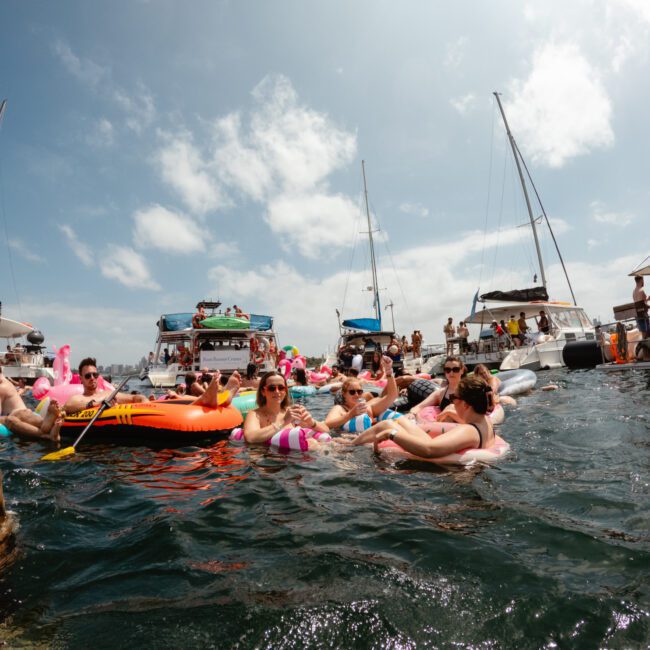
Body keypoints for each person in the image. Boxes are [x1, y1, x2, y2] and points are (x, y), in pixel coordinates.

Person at [349, 375, 496, 460]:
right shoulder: (486, 422)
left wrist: (391, 435)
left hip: (432, 451)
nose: (451, 401)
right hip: (438, 444)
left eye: (454, 397)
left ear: (466, 404)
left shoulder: (469, 431)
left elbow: (429, 450)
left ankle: (348, 446)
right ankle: (352, 442)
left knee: (387, 425)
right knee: (400, 420)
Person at [242, 371, 329, 446]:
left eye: (281, 388)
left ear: (285, 390)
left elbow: (326, 429)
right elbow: (250, 438)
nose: (277, 392)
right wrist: (283, 421)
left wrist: (311, 422)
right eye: (271, 388)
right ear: (263, 391)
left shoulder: (291, 412)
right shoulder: (255, 414)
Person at [325, 356, 398, 430]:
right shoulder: (339, 409)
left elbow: (392, 396)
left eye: (359, 391)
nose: (357, 395)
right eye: (352, 392)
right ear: (344, 394)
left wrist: (389, 371)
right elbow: (327, 424)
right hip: (344, 439)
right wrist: (351, 414)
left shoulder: (367, 407)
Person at [64, 358, 149, 415]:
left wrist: (144, 401)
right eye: (88, 376)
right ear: (81, 379)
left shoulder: (108, 394)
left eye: (95, 374)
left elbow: (135, 398)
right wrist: (97, 404)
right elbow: (68, 407)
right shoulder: (78, 398)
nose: (92, 378)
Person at [0, 368, 62, 441]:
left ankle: (44, 435)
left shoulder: (1, 387)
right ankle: (47, 423)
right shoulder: (6, 382)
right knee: (39, 423)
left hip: (14, 416)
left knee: (9, 420)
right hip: (25, 412)